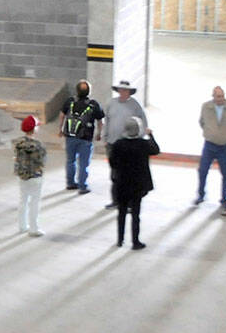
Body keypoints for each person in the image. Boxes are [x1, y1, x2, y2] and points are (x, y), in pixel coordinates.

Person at [107, 117, 159, 249]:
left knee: (121, 213)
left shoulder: (118, 144)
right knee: (136, 214)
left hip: (122, 184)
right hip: (137, 185)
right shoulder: (143, 144)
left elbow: (112, 162)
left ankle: (120, 240)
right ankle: (135, 241)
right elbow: (156, 150)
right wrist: (150, 135)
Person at [57, 82, 105, 194]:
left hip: (70, 136)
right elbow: (101, 121)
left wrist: (60, 130)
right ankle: (83, 186)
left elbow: (61, 115)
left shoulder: (70, 101)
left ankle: (70, 183)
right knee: (83, 163)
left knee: (70, 160)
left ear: (76, 90)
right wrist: (99, 133)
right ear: (89, 91)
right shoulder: (94, 104)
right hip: (86, 138)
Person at [196, 85, 226, 208]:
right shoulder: (206, 107)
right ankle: (201, 194)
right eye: (218, 96)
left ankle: (224, 198)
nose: (220, 99)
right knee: (202, 170)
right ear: (213, 96)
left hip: (225, 147)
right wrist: (209, 132)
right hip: (209, 145)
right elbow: (201, 122)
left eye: (222, 96)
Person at [12, 115, 46, 237]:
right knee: (34, 202)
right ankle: (34, 228)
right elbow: (42, 161)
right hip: (35, 176)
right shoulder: (38, 145)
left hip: (22, 175)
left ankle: (22, 226)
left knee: (23, 200)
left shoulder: (18, 143)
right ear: (34, 129)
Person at [103, 80, 148, 146]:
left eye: (125, 90)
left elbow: (143, 122)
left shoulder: (135, 105)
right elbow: (106, 121)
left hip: (129, 143)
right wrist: (105, 137)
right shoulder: (111, 103)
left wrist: (140, 138)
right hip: (112, 141)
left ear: (129, 92)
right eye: (121, 90)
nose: (122, 92)